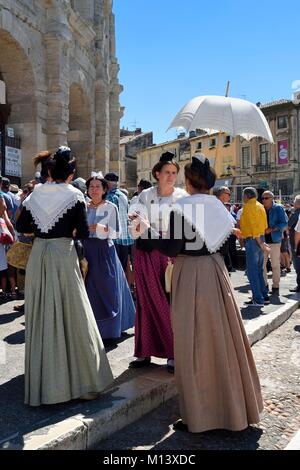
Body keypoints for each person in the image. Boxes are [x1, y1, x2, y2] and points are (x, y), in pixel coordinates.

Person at [136, 154, 263, 433]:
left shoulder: (182, 207)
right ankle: (233, 406)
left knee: (192, 341)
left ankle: (201, 413)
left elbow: (171, 248)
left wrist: (146, 230)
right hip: (216, 274)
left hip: (191, 273)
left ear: (188, 180)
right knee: (223, 338)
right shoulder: (219, 207)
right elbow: (227, 239)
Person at [16, 146, 113, 406]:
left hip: (39, 256)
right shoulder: (74, 195)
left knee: (41, 314)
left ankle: (45, 384)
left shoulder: (35, 193)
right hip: (63, 254)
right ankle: (81, 383)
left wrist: (41, 230)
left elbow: (21, 227)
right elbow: (82, 231)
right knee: (73, 313)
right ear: (71, 173)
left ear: (49, 170)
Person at [128, 151, 187, 371]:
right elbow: (134, 226)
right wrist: (138, 224)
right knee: (144, 301)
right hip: (145, 253)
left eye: (174, 173)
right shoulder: (144, 196)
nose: (171, 176)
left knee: (168, 302)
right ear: (157, 174)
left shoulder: (181, 197)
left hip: (169, 255)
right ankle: (144, 352)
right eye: (167, 172)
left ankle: (172, 352)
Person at [83, 174, 135, 342]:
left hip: (104, 251)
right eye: (91, 187)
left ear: (105, 189)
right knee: (89, 290)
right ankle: (92, 329)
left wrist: (99, 228)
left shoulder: (111, 206)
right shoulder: (83, 207)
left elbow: (116, 233)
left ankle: (110, 330)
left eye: (98, 186)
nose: (94, 190)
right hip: (86, 252)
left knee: (108, 290)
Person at [240, 187, 270, 307]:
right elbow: (263, 225)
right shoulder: (260, 205)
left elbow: (253, 225)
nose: (242, 198)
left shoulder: (248, 206)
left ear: (246, 196)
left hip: (254, 239)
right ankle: (264, 296)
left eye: (243, 195)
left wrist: (259, 242)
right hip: (259, 238)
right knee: (259, 270)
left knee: (252, 271)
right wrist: (261, 241)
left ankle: (258, 299)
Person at [104, 172, 133, 272]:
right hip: (125, 239)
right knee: (122, 270)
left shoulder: (110, 197)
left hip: (115, 239)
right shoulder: (123, 195)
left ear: (107, 184)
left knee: (113, 270)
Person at [261, 191, 288, 294]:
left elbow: (284, 223)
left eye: (266, 198)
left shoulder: (278, 208)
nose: (264, 200)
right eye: (262, 198)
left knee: (275, 265)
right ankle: (264, 285)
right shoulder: (261, 208)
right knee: (262, 265)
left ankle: (276, 286)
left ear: (272, 198)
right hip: (263, 241)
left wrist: (272, 229)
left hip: (274, 240)